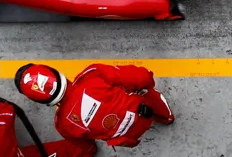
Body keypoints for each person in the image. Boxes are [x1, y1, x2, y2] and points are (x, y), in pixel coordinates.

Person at [15, 62, 175, 148]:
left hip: (127, 139)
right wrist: (148, 80)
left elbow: (84, 144)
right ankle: (166, 117)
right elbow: (139, 77)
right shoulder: (91, 75)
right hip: (142, 115)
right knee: (145, 90)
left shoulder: (62, 125)